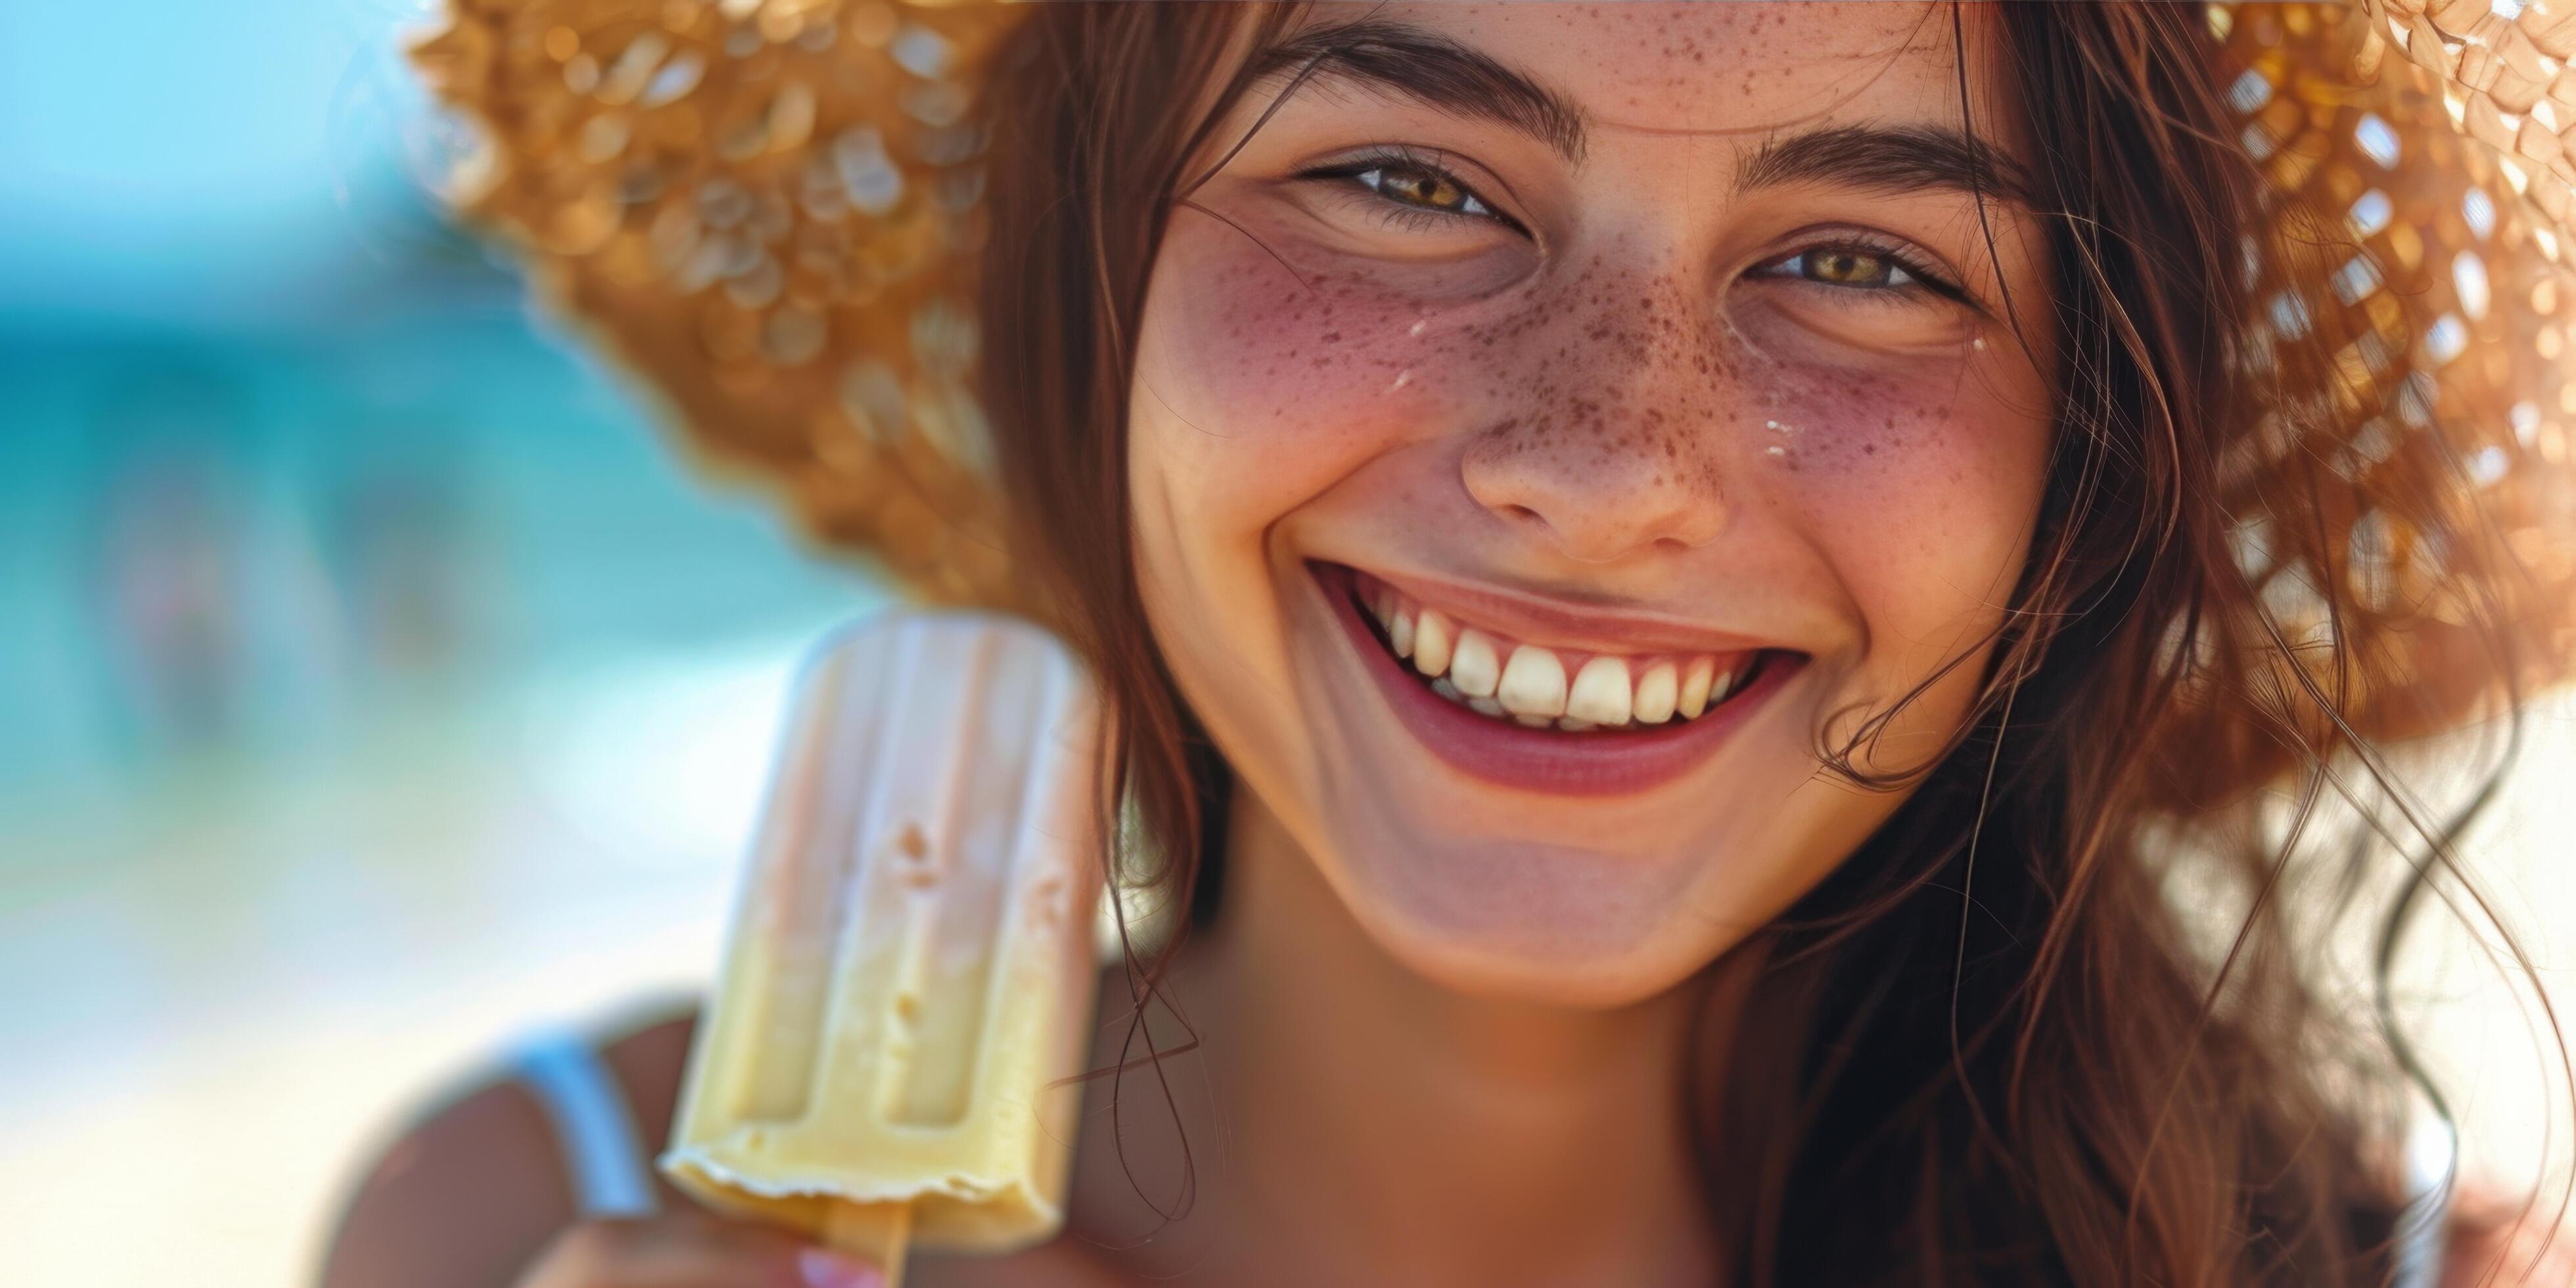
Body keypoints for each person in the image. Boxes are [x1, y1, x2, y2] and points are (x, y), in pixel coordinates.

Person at [328, 1, 2576, 1283]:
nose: (1606, 465)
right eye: (1409, 182)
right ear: (1093, 267)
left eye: (1872, 262)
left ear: (2086, 451)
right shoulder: (526, 1227)